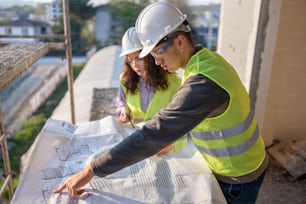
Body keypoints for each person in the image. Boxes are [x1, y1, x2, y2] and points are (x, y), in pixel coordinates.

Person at [53, 2, 268, 203]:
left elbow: (154, 133)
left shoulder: (203, 83)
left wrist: (90, 170)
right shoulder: (205, 62)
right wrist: (172, 141)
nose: (155, 61)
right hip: (237, 164)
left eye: (157, 52)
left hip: (238, 176)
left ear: (180, 42)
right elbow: (203, 120)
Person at [116, 27, 183, 155]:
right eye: (130, 61)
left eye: (139, 58)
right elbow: (121, 100)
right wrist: (124, 109)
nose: (134, 65)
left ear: (152, 55)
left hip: (164, 145)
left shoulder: (175, 83)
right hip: (135, 141)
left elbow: (182, 121)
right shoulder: (125, 79)